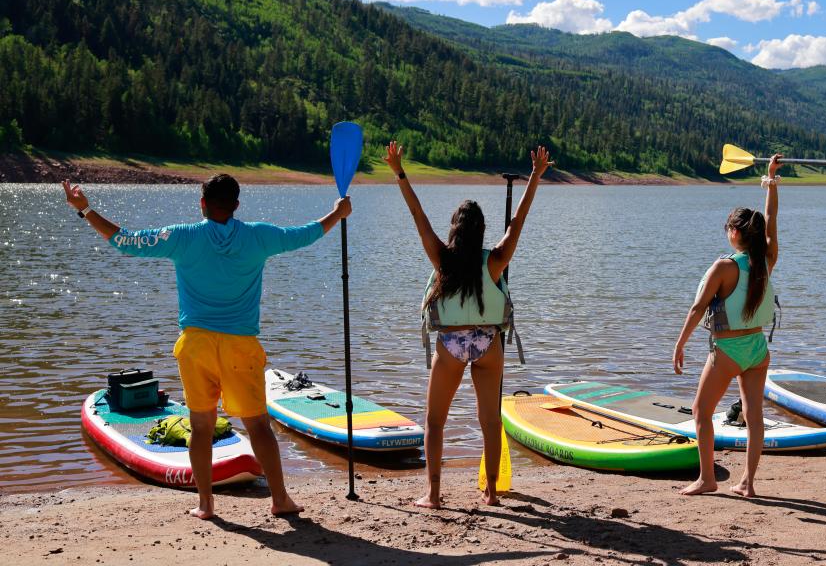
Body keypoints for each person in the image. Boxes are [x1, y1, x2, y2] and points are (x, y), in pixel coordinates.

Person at [62, 174, 351, 519]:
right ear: (237, 205)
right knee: (258, 425)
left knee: (200, 426)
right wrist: (338, 212)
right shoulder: (259, 236)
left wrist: (86, 210)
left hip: (196, 345)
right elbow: (307, 234)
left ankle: (206, 505)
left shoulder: (184, 236)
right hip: (240, 346)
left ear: (202, 204)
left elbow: (126, 240)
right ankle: (280, 500)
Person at [386, 141, 552, 508]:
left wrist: (399, 172)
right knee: (490, 422)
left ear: (455, 229)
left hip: (451, 346)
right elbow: (518, 222)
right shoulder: (494, 261)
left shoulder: (442, 259)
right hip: (488, 343)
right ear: (480, 231)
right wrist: (536, 177)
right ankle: (492, 493)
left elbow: (418, 217)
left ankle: (432, 494)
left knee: (434, 422)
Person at [674, 154, 783, 497]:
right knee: (753, 416)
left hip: (729, 350)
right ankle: (748, 484)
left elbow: (696, 308)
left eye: (727, 229)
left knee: (700, 411)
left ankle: (708, 479)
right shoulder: (767, 259)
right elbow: (773, 220)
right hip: (758, 348)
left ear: (735, 233)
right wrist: (770, 180)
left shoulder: (724, 267)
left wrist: (679, 344)